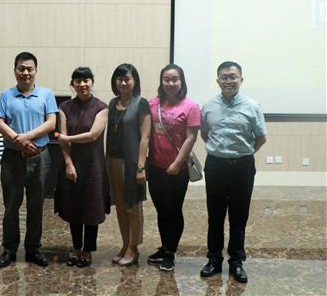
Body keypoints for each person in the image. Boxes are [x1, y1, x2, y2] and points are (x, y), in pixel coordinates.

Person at [199, 61, 267, 283]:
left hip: (242, 168)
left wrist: (242, 154)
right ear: (218, 81)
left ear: (241, 80)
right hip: (215, 166)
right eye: (224, 77)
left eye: (233, 76)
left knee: (239, 217)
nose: (228, 81)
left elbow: (261, 138)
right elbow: (205, 134)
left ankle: (236, 262)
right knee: (215, 216)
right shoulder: (208, 105)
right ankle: (214, 260)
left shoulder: (252, 106)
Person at [0, 51, 58, 268]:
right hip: (12, 159)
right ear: (15, 71)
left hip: (40, 157)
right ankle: (9, 249)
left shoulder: (46, 94)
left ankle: (33, 249)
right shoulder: (6, 95)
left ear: (36, 71)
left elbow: (51, 122)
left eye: (30, 68)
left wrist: (26, 137)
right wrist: (19, 141)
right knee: (11, 206)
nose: (25, 72)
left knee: (36, 206)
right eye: (21, 68)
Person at [147, 64, 200, 271]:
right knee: (161, 210)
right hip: (155, 167)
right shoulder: (153, 104)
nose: (170, 83)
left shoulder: (191, 107)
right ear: (161, 82)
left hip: (177, 169)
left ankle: (171, 252)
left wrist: (177, 163)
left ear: (181, 82)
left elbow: (191, 138)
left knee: (173, 210)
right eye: (166, 79)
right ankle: (164, 246)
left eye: (175, 79)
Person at [55, 67, 109, 268]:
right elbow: (62, 139)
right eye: (78, 81)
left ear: (92, 82)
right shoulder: (64, 107)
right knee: (73, 206)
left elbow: (93, 135)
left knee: (92, 208)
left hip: (94, 164)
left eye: (86, 80)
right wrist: (68, 164)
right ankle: (76, 249)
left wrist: (67, 138)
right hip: (71, 162)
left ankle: (87, 251)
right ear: (73, 84)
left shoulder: (102, 107)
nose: (82, 84)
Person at [106, 63, 151, 266]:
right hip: (113, 161)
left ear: (135, 81)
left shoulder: (141, 103)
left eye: (127, 79)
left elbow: (145, 137)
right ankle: (125, 244)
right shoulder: (112, 103)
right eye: (120, 79)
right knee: (120, 206)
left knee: (133, 206)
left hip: (132, 163)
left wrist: (141, 167)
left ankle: (134, 247)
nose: (123, 83)